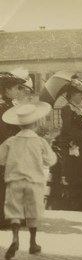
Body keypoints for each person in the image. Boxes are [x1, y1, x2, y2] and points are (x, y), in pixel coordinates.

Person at [0, 101, 57, 260]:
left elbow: (1, 159)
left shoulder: (11, 141)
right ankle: (33, 242)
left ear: (18, 125)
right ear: (36, 122)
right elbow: (50, 161)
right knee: (33, 212)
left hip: (14, 180)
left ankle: (15, 238)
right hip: (34, 182)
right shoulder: (40, 142)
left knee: (14, 211)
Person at [50, 78, 82, 211]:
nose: (81, 97)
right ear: (72, 95)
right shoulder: (67, 108)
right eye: (79, 94)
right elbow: (67, 128)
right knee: (75, 172)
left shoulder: (77, 108)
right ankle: (74, 203)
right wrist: (72, 143)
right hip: (74, 144)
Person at [0, 72, 26, 229]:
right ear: (7, 89)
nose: (18, 91)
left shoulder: (10, 105)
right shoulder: (4, 107)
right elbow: (5, 131)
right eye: (16, 88)